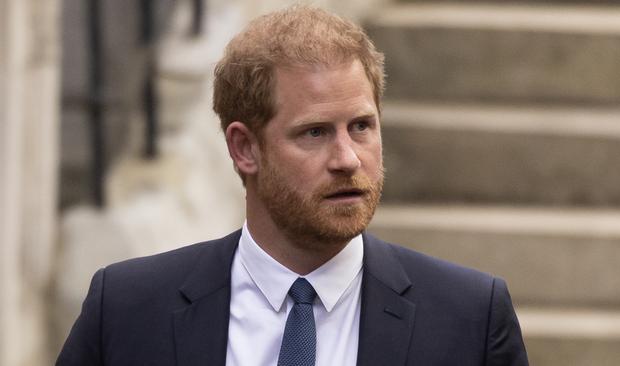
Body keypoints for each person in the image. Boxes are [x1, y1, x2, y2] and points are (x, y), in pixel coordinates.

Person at [57, 5, 528, 366]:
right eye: (315, 132)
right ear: (244, 149)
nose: (347, 159)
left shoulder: (470, 320)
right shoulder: (127, 310)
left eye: (362, 126)